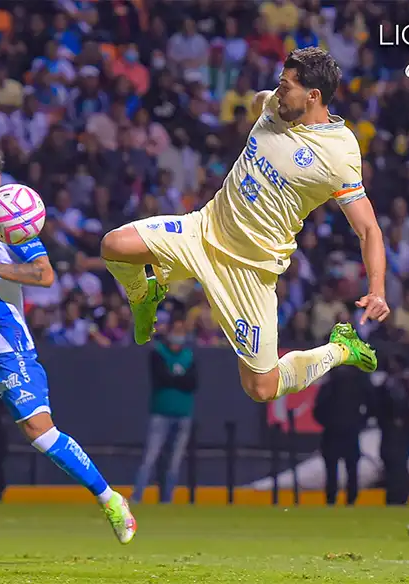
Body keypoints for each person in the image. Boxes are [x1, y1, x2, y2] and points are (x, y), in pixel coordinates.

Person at [99, 47, 390, 405]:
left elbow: (369, 230)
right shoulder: (277, 106)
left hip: (250, 271)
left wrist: (376, 289)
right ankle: (144, 294)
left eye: (287, 86)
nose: (279, 92)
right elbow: (261, 102)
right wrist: (263, 102)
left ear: (313, 96)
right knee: (114, 245)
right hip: (203, 230)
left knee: (262, 388)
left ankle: (340, 349)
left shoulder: (339, 154)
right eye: (280, 84)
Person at [0, 140, 136, 543]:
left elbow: (44, 275)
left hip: (8, 351)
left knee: (41, 434)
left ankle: (110, 498)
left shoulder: (10, 223)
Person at [131, 317, 197, 504]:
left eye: (181, 332)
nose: (178, 336)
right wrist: (179, 377)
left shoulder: (189, 355)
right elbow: (161, 378)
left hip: (183, 414)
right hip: (161, 413)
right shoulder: (158, 353)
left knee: (174, 463)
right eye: (175, 331)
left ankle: (167, 500)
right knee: (150, 458)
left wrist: (174, 377)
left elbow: (192, 382)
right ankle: (137, 498)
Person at [372, 353, 409, 506]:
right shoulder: (387, 384)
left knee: (399, 462)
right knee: (389, 460)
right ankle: (394, 495)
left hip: (402, 430)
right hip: (390, 429)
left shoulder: (408, 384)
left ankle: (401, 495)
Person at [312, 365, 369, 506]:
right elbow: (370, 406)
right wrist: (359, 422)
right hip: (347, 431)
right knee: (349, 468)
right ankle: (350, 499)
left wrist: (328, 422)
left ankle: (333, 499)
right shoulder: (357, 385)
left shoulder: (330, 386)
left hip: (334, 432)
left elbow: (317, 410)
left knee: (334, 468)